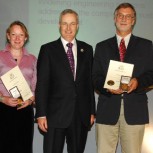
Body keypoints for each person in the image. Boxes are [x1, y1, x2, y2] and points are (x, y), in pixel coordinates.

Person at [92, 3, 153, 153]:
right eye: (120, 15)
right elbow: (95, 77)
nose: (124, 19)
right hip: (107, 109)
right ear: (115, 18)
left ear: (134, 20)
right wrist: (107, 87)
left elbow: (152, 74)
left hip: (135, 110)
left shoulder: (146, 45)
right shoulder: (101, 46)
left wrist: (138, 82)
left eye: (128, 16)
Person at [35, 9, 95, 153]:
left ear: (78, 26)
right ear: (59, 25)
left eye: (72, 24)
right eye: (65, 24)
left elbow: (89, 83)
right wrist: (41, 114)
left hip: (80, 115)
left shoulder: (87, 49)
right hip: (55, 115)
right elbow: (42, 84)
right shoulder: (47, 49)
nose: (68, 28)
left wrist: (92, 111)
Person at [0, 21, 37, 153]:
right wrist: (3, 99)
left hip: (25, 110)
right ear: (8, 36)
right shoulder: (0, 56)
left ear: (25, 38)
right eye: (14, 34)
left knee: (24, 148)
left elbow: (36, 86)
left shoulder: (32, 59)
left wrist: (31, 100)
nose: (17, 38)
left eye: (21, 35)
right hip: (3, 110)